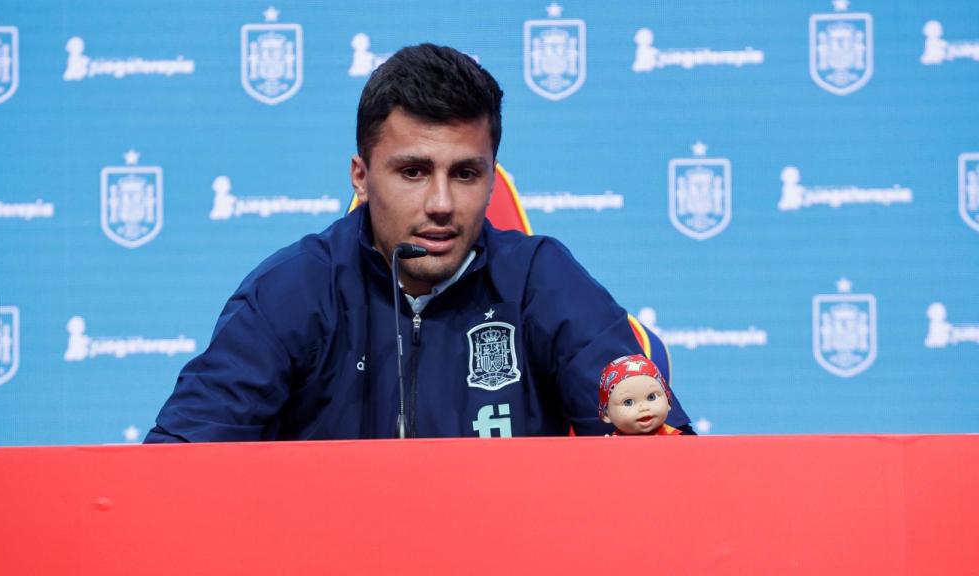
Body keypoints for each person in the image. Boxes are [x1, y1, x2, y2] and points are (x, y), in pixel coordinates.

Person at [145, 43, 692, 442]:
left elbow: (662, 455)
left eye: (465, 174)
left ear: (492, 176)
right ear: (361, 176)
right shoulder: (295, 289)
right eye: (412, 172)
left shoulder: (538, 280)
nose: (441, 204)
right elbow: (178, 465)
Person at [598, 354, 682, 436]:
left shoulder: (681, 441)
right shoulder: (609, 445)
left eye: (651, 397)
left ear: (668, 401)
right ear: (606, 414)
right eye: (628, 402)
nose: (644, 407)